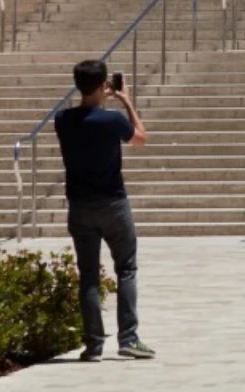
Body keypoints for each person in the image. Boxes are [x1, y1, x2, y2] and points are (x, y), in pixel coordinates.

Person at [55, 59, 153, 361]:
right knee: (126, 269)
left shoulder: (63, 119)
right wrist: (126, 100)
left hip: (80, 206)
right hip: (112, 204)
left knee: (88, 276)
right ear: (102, 86)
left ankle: (94, 344)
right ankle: (129, 338)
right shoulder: (112, 120)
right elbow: (140, 138)